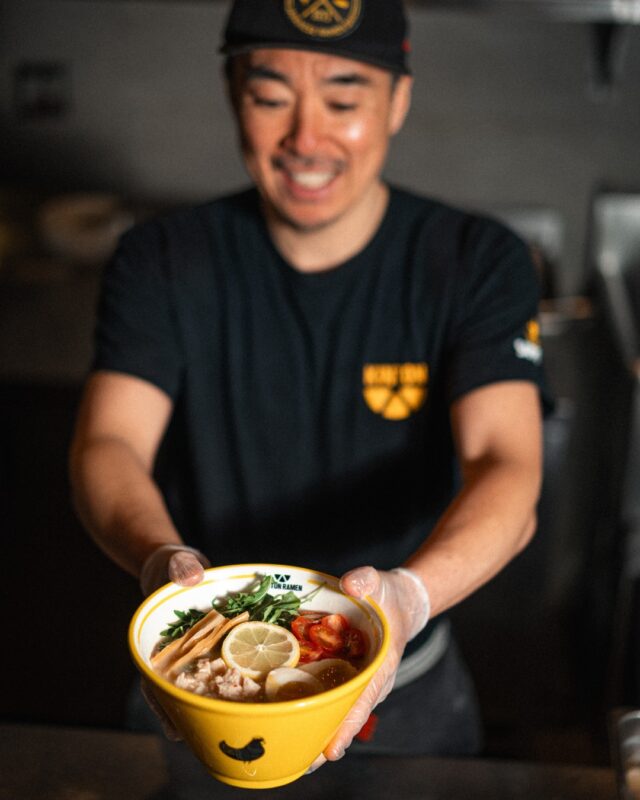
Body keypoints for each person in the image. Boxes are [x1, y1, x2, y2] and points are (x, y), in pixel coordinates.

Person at [69, 0, 548, 788]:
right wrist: (161, 561)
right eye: (270, 97)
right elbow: (108, 443)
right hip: (202, 674)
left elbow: (508, 465)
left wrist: (407, 600)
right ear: (234, 94)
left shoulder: (475, 261)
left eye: (343, 99)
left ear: (397, 100)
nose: (306, 138)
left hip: (406, 685)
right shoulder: (160, 258)